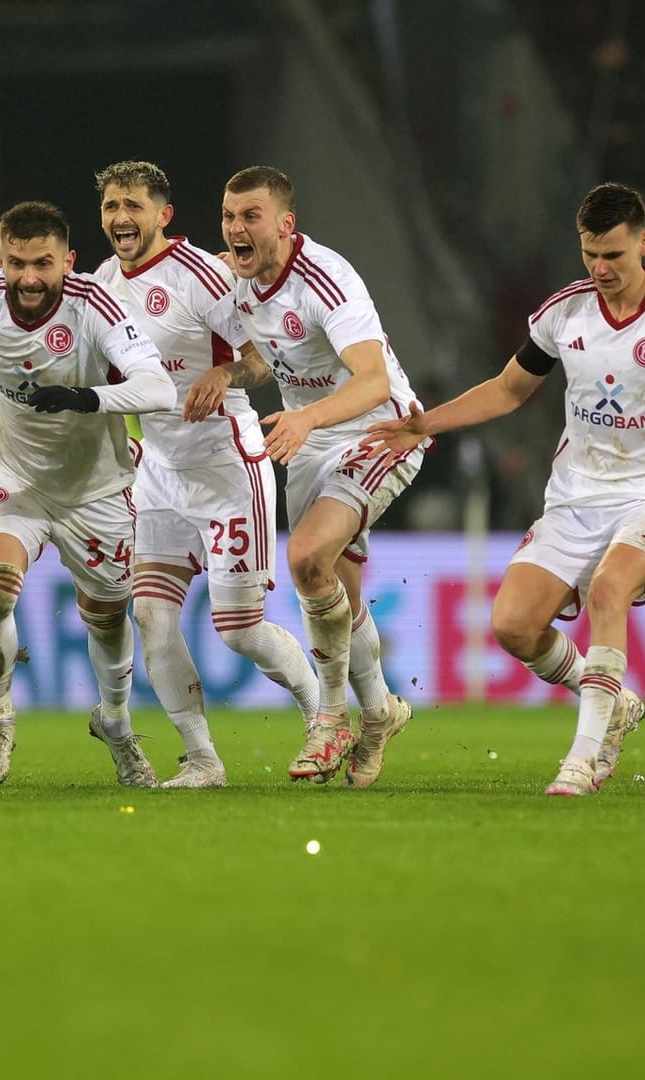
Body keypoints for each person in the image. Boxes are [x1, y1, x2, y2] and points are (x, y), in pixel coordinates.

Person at [363, 182, 645, 795]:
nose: (601, 268)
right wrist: (425, 424)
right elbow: (507, 390)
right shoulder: (564, 313)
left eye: (614, 255)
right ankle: (615, 705)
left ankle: (584, 756)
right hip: (575, 496)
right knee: (514, 627)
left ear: (644, 244)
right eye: (590, 255)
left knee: (608, 590)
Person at [0, 200, 176, 786]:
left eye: (43, 264)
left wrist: (87, 397)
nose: (28, 278)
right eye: (16, 264)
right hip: (16, 478)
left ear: (69, 260)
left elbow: (158, 387)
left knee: (108, 618)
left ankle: (115, 722)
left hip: (97, 490)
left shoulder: (97, 307)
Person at [89, 160, 319, 788]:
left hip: (226, 461)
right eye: (111, 206)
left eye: (132, 205)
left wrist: (223, 374)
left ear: (163, 215)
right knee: (151, 616)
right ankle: (202, 759)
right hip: (160, 471)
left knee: (239, 631)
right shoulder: (103, 285)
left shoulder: (204, 275)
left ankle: (324, 719)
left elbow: (261, 360)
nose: (120, 219)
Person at [211, 165, 419, 787]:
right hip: (307, 436)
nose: (236, 229)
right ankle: (378, 715)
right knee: (336, 593)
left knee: (303, 557)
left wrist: (305, 418)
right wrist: (225, 375)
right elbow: (251, 360)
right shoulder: (235, 279)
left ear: (285, 223)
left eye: (250, 216)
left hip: (379, 429)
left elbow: (374, 380)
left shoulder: (327, 280)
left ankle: (331, 720)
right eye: (228, 217)